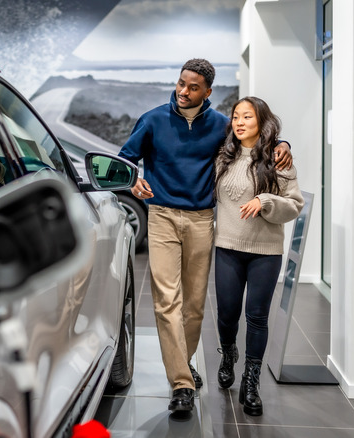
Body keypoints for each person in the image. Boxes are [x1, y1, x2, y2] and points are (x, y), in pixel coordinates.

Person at [118, 59, 292, 413]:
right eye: (181, 83)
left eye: (193, 87)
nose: (183, 91)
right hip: (162, 216)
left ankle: (183, 362)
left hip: (201, 220)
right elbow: (125, 159)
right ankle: (181, 383)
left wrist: (283, 143)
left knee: (195, 304)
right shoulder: (152, 120)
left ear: (207, 92)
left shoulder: (220, 126)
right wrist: (133, 180)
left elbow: (253, 140)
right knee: (167, 301)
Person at [213, 96, 303, 416]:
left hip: (265, 251)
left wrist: (265, 201)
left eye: (247, 117)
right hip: (227, 247)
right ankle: (228, 354)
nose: (239, 122)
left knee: (257, 316)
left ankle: (251, 382)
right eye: (236, 116)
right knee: (227, 314)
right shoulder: (223, 156)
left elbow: (294, 205)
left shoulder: (279, 159)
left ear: (261, 122)